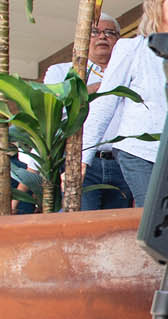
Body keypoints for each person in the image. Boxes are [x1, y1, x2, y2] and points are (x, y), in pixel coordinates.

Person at [84, 0, 168, 206]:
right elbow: (106, 102)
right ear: (156, 5)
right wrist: (83, 159)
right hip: (139, 152)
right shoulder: (132, 48)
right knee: (155, 215)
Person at [42, 14, 131, 211]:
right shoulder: (62, 72)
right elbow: (51, 110)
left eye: (110, 33)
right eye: (95, 32)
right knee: (82, 223)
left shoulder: (129, 74)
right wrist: (91, 90)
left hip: (123, 162)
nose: (102, 37)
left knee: (118, 228)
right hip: (81, 162)